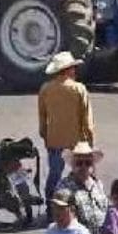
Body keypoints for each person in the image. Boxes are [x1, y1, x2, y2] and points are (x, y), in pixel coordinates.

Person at [37, 51, 93, 200]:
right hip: (76, 142)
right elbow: (87, 120)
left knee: (54, 174)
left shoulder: (45, 89)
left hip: (54, 140)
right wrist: (90, 140)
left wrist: (45, 136)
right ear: (68, 70)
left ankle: (50, 206)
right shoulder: (79, 89)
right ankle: (81, 205)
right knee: (81, 174)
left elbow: (42, 118)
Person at [56, 142, 108, 234]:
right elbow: (62, 220)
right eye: (79, 163)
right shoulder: (64, 186)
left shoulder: (98, 184)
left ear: (92, 165)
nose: (84, 167)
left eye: (88, 163)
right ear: (72, 165)